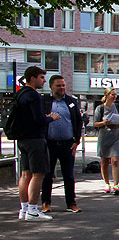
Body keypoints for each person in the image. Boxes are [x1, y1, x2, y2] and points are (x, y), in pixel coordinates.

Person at [14, 66, 61, 221]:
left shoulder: (20, 93)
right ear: (32, 78)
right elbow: (38, 120)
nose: (44, 80)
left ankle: (24, 209)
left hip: (22, 138)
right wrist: (50, 118)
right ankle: (33, 210)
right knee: (38, 173)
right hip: (35, 138)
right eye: (41, 77)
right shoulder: (33, 95)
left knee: (25, 174)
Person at [41, 75, 83, 213]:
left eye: (63, 85)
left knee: (69, 175)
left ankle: (71, 203)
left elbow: (78, 121)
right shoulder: (44, 101)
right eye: (59, 85)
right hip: (49, 143)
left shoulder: (71, 101)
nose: (62, 88)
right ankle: (46, 203)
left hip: (67, 144)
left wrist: (76, 141)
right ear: (51, 86)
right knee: (47, 175)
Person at [93, 88, 119, 195]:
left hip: (116, 135)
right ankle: (107, 183)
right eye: (112, 94)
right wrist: (104, 122)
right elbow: (95, 123)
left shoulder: (118, 106)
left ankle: (116, 185)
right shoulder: (100, 108)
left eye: (116, 95)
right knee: (104, 161)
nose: (115, 97)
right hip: (104, 135)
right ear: (107, 95)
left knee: (115, 160)